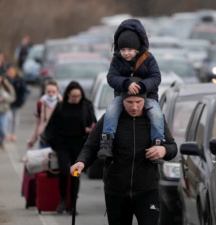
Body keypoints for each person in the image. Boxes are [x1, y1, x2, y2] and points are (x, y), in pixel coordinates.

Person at [70, 83, 177, 225]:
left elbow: (172, 147)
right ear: (122, 101)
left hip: (148, 190)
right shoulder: (109, 119)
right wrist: (81, 162)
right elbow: (91, 146)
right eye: (129, 102)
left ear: (145, 100)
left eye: (138, 102)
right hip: (116, 190)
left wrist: (163, 150)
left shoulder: (155, 120)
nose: (134, 107)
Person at [98, 19, 164, 164]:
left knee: (157, 115)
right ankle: (106, 142)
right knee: (111, 110)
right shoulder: (117, 60)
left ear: (137, 48)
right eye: (122, 50)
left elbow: (156, 77)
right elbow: (111, 77)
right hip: (122, 96)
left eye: (129, 50)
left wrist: (142, 86)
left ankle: (157, 144)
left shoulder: (148, 58)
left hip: (148, 96)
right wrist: (126, 83)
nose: (126, 53)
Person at [44, 81, 96, 214]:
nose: (76, 99)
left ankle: (73, 205)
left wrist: (90, 129)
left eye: (78, 96)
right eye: (73, 96)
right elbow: (51, 126)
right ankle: (63, 200)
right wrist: (52, 144)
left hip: (79, 144)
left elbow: (93, 123)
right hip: (62, 144)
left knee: (75, 174)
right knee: (63, 172)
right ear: (67, 94)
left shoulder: (86, 106)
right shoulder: (61, 106)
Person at [27, 79, 62, 149]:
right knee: (43, 159)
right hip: (44, 138)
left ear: (57, 91)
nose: (51, 94)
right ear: (45, 91)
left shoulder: (62, 103)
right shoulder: (41, 103)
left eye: (53, 92)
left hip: (58, 139)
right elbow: (37, 123)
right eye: (48, 92)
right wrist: (31, 140)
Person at [6, 64, 29, 141]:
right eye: (10, 71)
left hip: (17, 103)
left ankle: (14, 134)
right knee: (9, 119)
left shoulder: (19, 80)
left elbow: (25, 91)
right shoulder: (5, 81)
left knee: (15, 119)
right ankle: (8, 133)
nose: (11, 73)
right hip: (8, 104)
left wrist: (22, 101)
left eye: (12, 71)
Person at [0, 73, 15, 149]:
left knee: (3, 129)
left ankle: (2, 140)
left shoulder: (7, 87)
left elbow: (12, 97)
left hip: (4, 111)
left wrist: (4, 99)